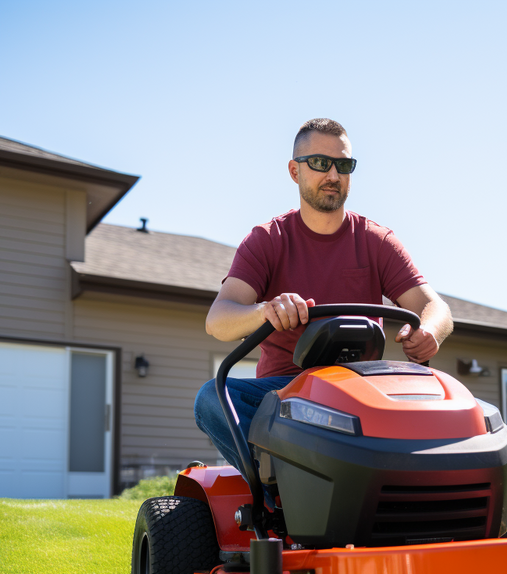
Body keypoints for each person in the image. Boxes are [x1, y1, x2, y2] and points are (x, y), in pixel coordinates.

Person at [194, 118, 453, 474]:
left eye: (344, 165)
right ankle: (280, 492)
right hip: (286, 391)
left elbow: (434, 307)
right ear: (294, 171)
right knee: (211, 398)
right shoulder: (267, 240)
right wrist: (265, 311)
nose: (333, 174)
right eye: (320, 163)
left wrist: (429, 331)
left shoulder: (376, 241)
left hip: (362, 387)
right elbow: (218, 320)